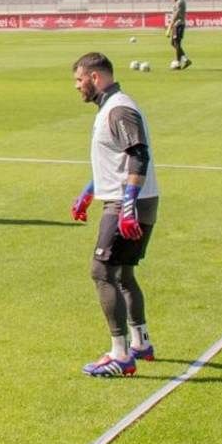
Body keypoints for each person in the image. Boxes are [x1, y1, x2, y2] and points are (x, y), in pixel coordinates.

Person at [68, 53, 159, 378]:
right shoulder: (110, 107)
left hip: (125, 203)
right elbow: (115, 159)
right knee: (122, 275)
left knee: (101, 272)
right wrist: (90, 192)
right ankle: (140, 342)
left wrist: (129, 205)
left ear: (95, 77)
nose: (77, 87)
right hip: (125, 199)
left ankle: (120, 354)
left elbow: (138, 154)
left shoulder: (119, 108)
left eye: (79, 80)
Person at [164, 0, 190, 69]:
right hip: (176, 25)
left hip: (179, 24)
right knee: (173, 43)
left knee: (177, 43)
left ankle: (178, 63)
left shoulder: (180, 2)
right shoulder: (176, 1)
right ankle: (185, 60)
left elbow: (176, 15)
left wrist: (169, 28)